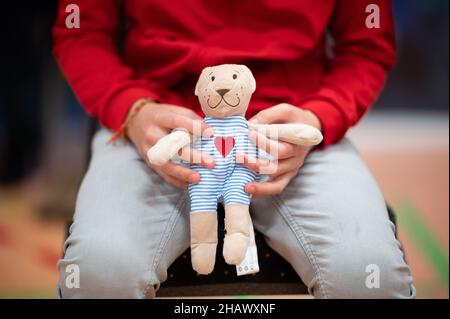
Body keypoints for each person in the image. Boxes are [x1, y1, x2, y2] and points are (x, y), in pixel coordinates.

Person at [53, 0, 415, 298]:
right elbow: (79, 33)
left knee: (372, 277)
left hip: (292, 129)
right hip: (157, 124)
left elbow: (367, 47)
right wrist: (132, 110)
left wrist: (320, 117)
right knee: (98, 274)